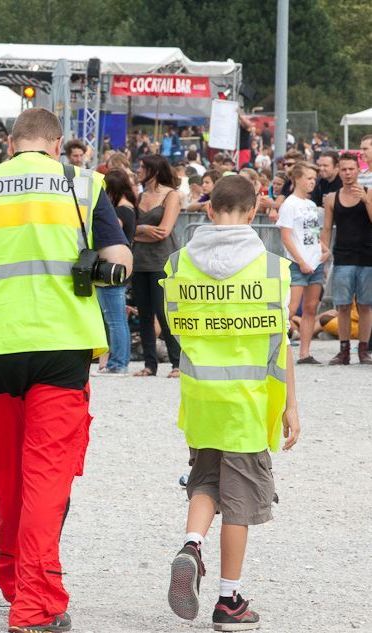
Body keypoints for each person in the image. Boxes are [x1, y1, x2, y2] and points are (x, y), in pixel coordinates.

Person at [0, 107, 131, 633]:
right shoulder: (84, 185)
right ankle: (35, 602)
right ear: (56, 144)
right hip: (61, 345)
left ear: (12, 142)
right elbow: (119, 262)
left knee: (9, 476)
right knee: (46, 477)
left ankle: (15, 578)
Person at [162, 174, 300, 632]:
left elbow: (176, 330)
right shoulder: (272, 269)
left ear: (207, 208)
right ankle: (228, 600)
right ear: (257, 207)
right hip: (247, 401)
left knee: (205, 480)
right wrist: (290, 406)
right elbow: (280, 345)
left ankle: (192, 545)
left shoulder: (179, 264)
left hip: (201, 397)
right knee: (239, 504)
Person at [132, 154, 182, 377]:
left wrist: (136, 232)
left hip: (161, 261)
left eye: (142, 167)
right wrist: (143, 230)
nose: (138, 170)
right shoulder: (139, 196)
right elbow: (129, 230)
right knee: (144, 314)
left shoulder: (171, 196)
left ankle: (177, 362)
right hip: (139, 261)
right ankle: (149, 364)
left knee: (165, 313)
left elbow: (163, 231)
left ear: (153, 170)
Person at [321, 153, 372, 364]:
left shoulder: (369, 193)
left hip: (367, 257)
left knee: (366, 305)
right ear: (339, 171)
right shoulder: (332, 198)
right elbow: (326, 228)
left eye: (351, 169)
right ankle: (343, 350)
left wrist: (366, 200)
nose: (348, 173)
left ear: (358, 170)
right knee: (342, 305)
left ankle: (363, 350)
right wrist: (323, 251)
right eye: (344, 169)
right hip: (343, 257)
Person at [276, 163, 330, 364]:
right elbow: (286, 237)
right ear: (297, 179)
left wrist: (324, 248)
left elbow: (312, 233)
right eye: (308, 178)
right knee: (290, 308)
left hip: (315, 261)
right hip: (297, 263)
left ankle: (305, 352)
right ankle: (277, 346)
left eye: (314, 179)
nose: (312, 183)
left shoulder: (309, 204)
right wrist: (301, 261)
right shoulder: (289, 204)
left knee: (311, 308)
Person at [96, 169, 136, 375]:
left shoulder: (119, 213)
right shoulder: (128, 209)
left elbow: (109, 232)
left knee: (115, 319)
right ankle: (119, 361)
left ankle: (118, 363)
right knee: (118, 318)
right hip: (120, 266)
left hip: (111, 268)